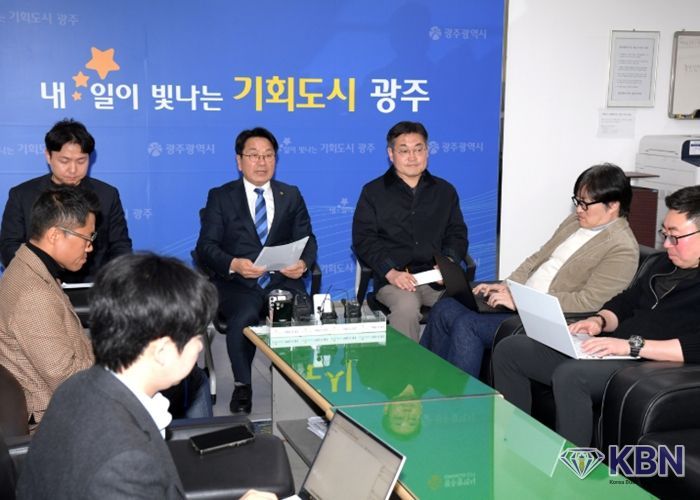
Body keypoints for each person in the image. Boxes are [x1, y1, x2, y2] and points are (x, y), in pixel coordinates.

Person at [493, 185, 700, 447]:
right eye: (665, 234)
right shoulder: (662, 264)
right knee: (512, 350)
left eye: (675, 236)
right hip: (616, 349)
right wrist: (599, 321)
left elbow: (694, 346)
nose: (667, 244)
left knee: (572, 375)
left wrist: (631, 346)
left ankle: (572, 468)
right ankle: (514, 444)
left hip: (651, 364)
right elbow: (626, 301)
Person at [15, 253, 215, 499]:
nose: (200, 347)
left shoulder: (77, 385)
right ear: (162, 351)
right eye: (197, 337)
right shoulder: (125, 465)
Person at [420, 164, 639, 378]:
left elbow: (588, 302)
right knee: (446, 306)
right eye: (577, 201)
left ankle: (461, 400)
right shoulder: (575, 222)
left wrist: (522, 301)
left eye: (585, 204)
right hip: (522, 299)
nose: (579, 209)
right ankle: (426, 384)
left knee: (467, 325)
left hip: (549, 318)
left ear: (613, 205)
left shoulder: (622, 247)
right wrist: (507, 285)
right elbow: (538, 258)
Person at [196, 126, 317, 414]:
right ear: (239, 161)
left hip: (281, 279)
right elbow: (206, 247)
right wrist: (233, 264)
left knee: (288, 310)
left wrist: (302, 263)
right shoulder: (221, 196)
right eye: (253, 155)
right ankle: (243, 385)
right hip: (238, 283)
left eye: (268, 155)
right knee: (244, 316)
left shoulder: (290, 194)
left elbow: (308, 239)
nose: (261, 162)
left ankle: (295, 382)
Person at [352, 121, 468, 342]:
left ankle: (444, 362)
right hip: (394, 279)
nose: (412, 157)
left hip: (436, 279)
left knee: (463, 308)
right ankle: (405, 364)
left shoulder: (445, 191)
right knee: (406, 307)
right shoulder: (373, 192)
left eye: (418, 149)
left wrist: (448, 264)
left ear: (427, 151)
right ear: (391, 154)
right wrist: (390, 272)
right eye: (404, 151)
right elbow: (364, 239)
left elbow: (457, 234)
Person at [0, 186, 96, 429]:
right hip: (55, 422)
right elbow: (68, 380)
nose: (90, 248)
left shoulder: (28, 266)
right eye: (87, 238)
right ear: (55, 235)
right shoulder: (33, 294)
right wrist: (121, 361)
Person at [0, 118, 131, 282]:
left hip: (93, 286)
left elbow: (120, 245)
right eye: (64, 161)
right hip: (38, 284)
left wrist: (113, 282)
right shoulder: (22, 195)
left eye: (81, 161)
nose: (73, 169)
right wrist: (39, 278)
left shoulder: (107, 194)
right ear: (48, 156)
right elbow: (9, 246)